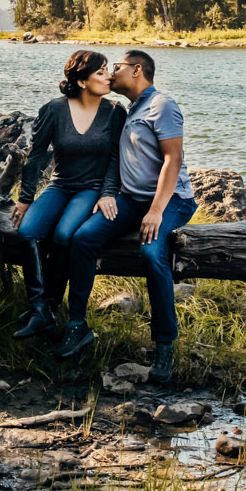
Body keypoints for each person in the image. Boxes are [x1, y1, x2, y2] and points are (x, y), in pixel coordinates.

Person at [56, 49, 195, 382]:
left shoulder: (163, 105)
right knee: (83, 238)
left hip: (172, 200)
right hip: (131, 201)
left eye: (116, 67)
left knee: (151, 253)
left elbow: (172, 161)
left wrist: (157, 211)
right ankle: (77, 326)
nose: (111, 72)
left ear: (136, 70)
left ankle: (164, 346)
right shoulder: (130, 109)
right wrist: (108, 195)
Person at [8, 49, 125, 340]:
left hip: (91, 189)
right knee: (28, 231)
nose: (108, 76)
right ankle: (40, 309)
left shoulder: (114, 112)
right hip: (60, 185)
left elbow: (115, 159)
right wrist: (25, 198)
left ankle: (50, 304)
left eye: (107, 70)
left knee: (63, 235)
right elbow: (36, 157)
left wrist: (108, 193)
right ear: (83, 81)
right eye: (101, 72)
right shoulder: (54, 109)